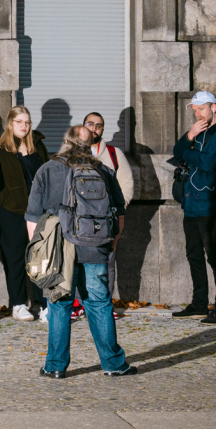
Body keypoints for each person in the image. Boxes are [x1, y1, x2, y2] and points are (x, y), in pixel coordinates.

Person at [26, 124, 134, 377]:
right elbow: (119, 214)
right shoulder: (104, 171)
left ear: (65, 141)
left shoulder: (47, 169)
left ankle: (55, 367)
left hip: (58, 250)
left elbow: (32, 217)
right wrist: (112, 244)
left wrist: (37, 251)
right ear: (91, 144)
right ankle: (114, 364)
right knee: (99, 303)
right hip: (95, 247)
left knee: (59, 304)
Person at [170, 90, 216, 322]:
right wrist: (189, 137)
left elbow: (208, 162)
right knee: (193, 254)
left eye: (202, 108)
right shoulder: (197, 130)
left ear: (213, 107)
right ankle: (199, 303)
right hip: (190, 202)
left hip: (210, 204)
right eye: (195, 110)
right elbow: (177, 152)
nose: (198, 114)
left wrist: (189, 152)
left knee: (215, 257)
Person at [0, 105, 46, 321]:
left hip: (39, 213)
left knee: (41, 258)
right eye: (19, 122)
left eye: (27, 122)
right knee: (16, 259)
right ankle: (19, 304)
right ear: (10, 124)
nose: (24, 126)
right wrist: (6, 203)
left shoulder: (38, 148)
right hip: (12, 214)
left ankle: (43, 305)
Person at [82, 112, 134, 309]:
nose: (94, 128)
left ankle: (103, 305)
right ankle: (80, 304)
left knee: (107, 263)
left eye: (99, 125)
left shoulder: (114, 154)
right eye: (90, 124)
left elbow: (127, 186)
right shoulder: (71, 152)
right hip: (79, 220)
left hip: (107, 220)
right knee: (78, 263)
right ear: (83, 126)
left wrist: (116, 209)